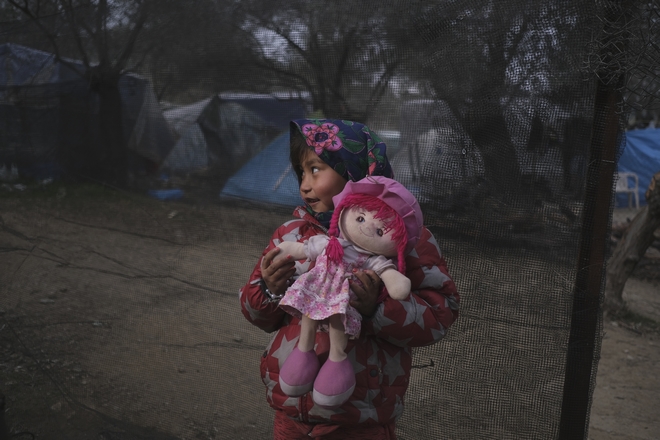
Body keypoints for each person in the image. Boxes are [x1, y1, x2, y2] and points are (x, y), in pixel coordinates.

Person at [239, 119, 459, 439]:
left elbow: (441, 314)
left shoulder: (404, 238)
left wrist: (376, 308)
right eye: (301, 172)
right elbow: (254, 311)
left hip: (361, 417)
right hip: (291, 410)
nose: (304, 184)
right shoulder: (292, 234)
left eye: (315, 169)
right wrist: (270, 291)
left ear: (353, 170)